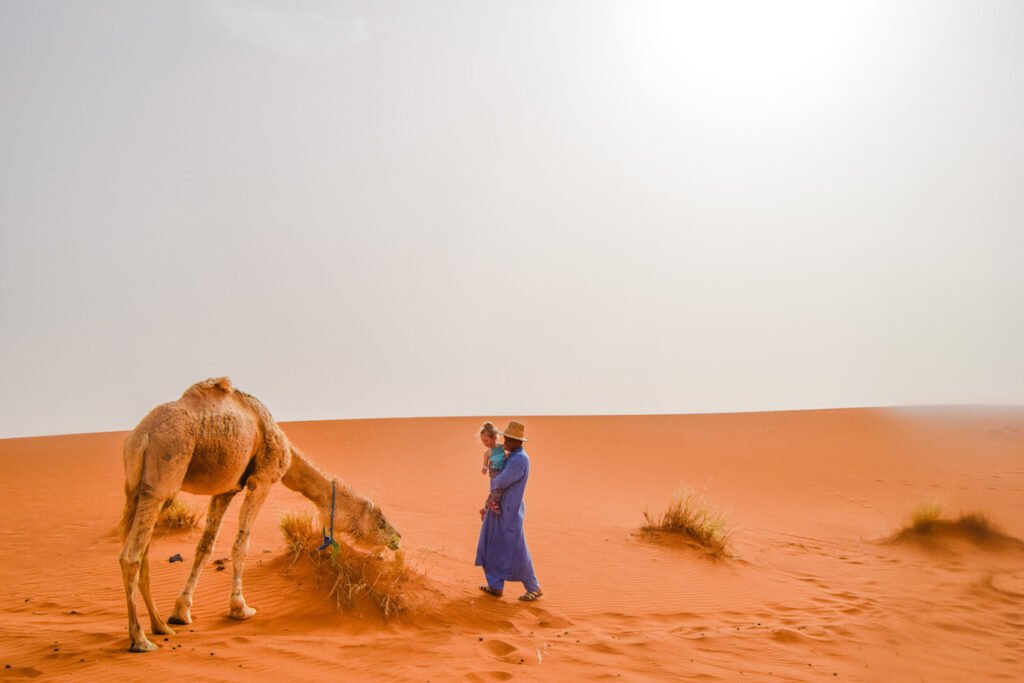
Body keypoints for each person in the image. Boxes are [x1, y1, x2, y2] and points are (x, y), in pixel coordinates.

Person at [475, 420, 542, 602]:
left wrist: (493, 479)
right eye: (505, 438)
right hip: (499, 508)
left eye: (509, 440)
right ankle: (495, 586)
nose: (505, 442)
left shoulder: (520, 459)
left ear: (518, 441)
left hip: (509, 511)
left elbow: (501, 481)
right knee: (491, 544)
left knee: (516, 548)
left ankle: (534, 588)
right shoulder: (512, 455)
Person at [478, 422, 507, 519]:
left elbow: (508, 454)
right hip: (494, 470)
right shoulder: (488, 453)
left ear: (494, 437)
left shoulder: (503, 447)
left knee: (495, 490)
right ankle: (493, 503)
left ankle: (485, 509)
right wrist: (485, 468)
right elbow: (485, 463)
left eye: (486, 440)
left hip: (503, 470)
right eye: (483, 441)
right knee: (497, 488)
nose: (484, 443)